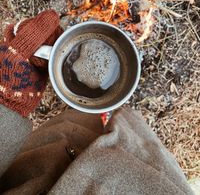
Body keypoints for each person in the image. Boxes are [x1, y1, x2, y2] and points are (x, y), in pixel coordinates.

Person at [0, 10, 194, 195]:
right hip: (148, 176)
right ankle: (104, 117)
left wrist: (6, 107)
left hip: (38, 175)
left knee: (68, 129)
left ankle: (97, 117)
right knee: (127, 133)